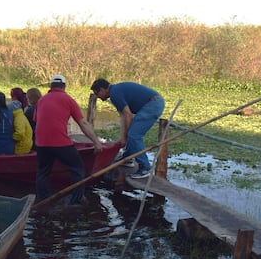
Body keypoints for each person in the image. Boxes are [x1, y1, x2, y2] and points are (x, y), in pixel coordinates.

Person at [34, 75, 102, 206]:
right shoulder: (68, 99)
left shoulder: (41, 100)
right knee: (78, 169)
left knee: (43, 172)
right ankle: (76, 201)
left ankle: (44, 200)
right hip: (60, 143)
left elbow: (38, 121)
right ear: (64, 87)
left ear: (50, 86)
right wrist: (96, 141)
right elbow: (82, 123)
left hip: (41, 143)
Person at [90, 78, 165, 179]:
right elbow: (123, 116)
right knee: (131, 134)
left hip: (153, 104)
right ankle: (128, 158)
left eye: (97, 93)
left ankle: (145, 168)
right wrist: (123, 137)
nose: (98, 97)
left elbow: (128, 115)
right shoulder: (115, 92)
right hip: (152, 103)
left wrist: (126, 136)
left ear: (103, 90)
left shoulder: (115, 93)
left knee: (134, 135)